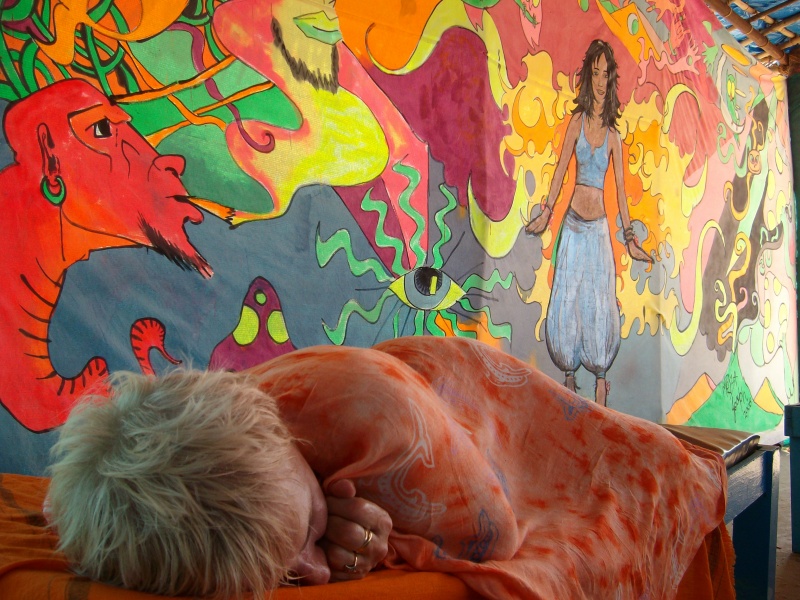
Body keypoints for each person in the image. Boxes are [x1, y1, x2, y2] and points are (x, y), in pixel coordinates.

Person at [47, 336, 728, 599]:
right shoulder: (224, 437)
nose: (317, 573)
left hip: (529, 426)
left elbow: (493, 535)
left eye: (308, 533)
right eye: (288, 575)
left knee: (659, 469)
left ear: (279, 438)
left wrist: (394, 539)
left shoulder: (385, 431)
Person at [525, 39, 651, 407]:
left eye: (605, 74)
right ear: (588, 77)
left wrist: (630, 240)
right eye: (594, 73)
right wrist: (546, 213)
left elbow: (622, 194)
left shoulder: (613, 137)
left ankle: (600, 385)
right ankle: (568, 380)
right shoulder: (576, 123)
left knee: (598, 302)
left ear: (611, 80)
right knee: (568, 299)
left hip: (598, 233)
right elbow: (560, 172)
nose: (599, 80)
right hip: (573, 227)